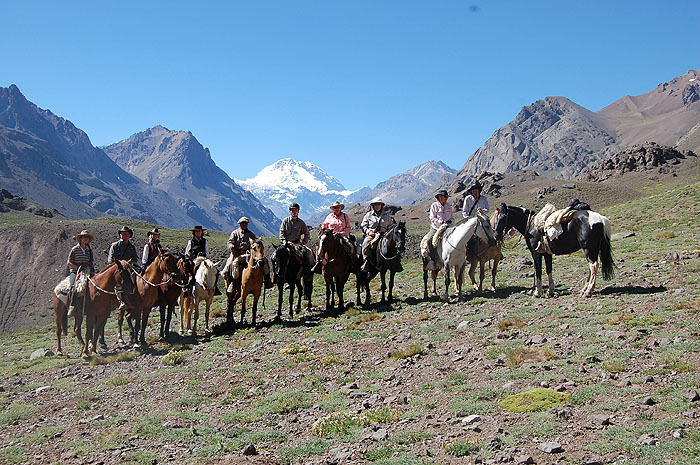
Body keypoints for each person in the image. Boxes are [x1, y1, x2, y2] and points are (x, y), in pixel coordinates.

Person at [226, 216, 273, 289]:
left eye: (246, 223)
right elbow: (229, 242)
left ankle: (267, 280)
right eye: (243, 223)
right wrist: (231, 246)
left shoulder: (251, 234)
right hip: (237, 254)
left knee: (264, 261)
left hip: (249, 254)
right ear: (240, 224)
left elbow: (255, 242)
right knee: (231, 265)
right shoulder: (235, 233)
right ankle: (232, 283)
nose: (244, 224)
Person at [311, 201, 354, 273]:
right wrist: (325, 230)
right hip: (330, 236)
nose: (336, 209)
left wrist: (342, 233)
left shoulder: (345, 216)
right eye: (335, 208)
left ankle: (352, 263)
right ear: (333, 209)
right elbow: (324, 225)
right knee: (320, 246)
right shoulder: (329, 216)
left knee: (350, 246)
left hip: (341, 236)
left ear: (340, 208)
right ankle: (318, 263)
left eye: (338, 207)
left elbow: (348, 227)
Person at [422, 190, 454, 270]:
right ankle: (433, 260)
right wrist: (440, 222)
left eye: (447, 197)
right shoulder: (434, 205)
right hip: (436, 228)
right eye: (445, 197)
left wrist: (451, 221)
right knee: (429, 240)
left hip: (448, 227)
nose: (446, 198)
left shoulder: (449, 206)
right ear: (440, 197)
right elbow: (432, 218)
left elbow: (452, 217)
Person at [360, 198, 394, 272]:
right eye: (375, 204)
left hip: (384, 235)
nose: (377, 206)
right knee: (365, 245)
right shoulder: (368, 215)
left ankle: (396, 263)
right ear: (373, 206)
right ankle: (366, 261)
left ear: (381, 205)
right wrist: (368, 232)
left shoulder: (387, 215)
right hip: (372, 235)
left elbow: (391, 226)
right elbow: (363, 226)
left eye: (379, 204)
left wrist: (387, 232)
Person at [279, 202, 315, 270]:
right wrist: (284, 241)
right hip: (286, 243)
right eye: (292, 210)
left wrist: (303, 242)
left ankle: (306, 272)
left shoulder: (301, 223)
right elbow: (282, 232)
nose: (294, 212)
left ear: (298, 211)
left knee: (305, 253)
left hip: (296, 244)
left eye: (295, 210)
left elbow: (307, 234)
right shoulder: (285, 221)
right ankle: (275, 275)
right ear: (289, 211)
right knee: (276, 255)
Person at [66, 229, 95, 312]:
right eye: (84, 237)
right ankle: (72, 305)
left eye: (87, 238)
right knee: (71, 286)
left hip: (87, 270)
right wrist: (76, 267)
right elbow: (69, 262)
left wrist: (91, 268)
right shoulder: (74, 249)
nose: (86, 239)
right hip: (76, 271)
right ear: (81, 239)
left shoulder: (89, 251)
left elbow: (91, 262)